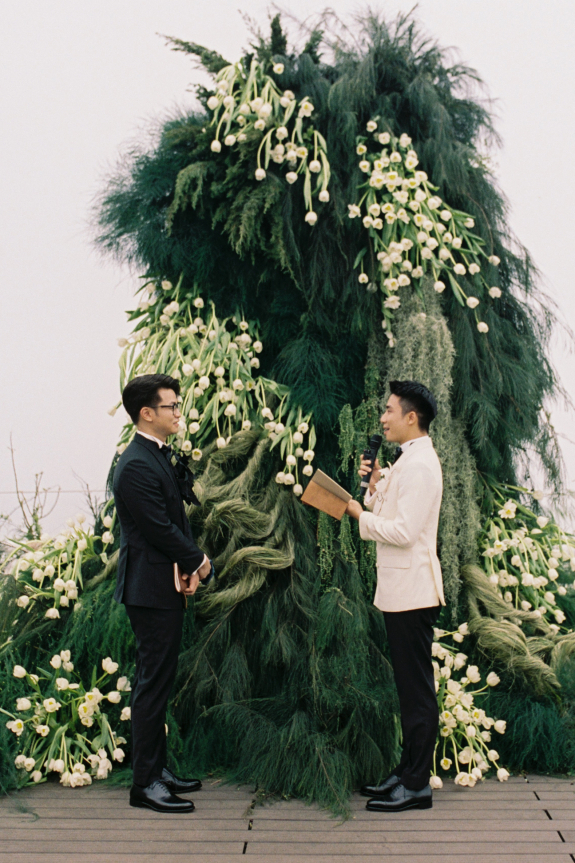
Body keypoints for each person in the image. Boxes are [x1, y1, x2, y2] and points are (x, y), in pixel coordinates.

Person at [113, 373, 213, 813]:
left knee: (158, 680)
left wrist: (186, 566)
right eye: (171, 406)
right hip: (149, 588)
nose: (178, 413)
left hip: (162, 583)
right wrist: (199, 561)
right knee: (152, 683)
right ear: (146, 413)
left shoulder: (154, 454)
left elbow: (175, 520)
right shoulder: (135, 464)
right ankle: (145, 783)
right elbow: (158, 528)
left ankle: (157, 768)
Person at [345, 379, 444, 813]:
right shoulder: (407, 459)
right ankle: (406, 773)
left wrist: (358, 516)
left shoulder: (421, 465)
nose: (383, 418)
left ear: (411, 417)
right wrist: (374, 486)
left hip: (413, 593)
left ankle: (417, 785)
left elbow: (403, 532)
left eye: (389, 410)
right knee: (408, 689)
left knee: (417, 691)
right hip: (401, 591)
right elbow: (392, 512)